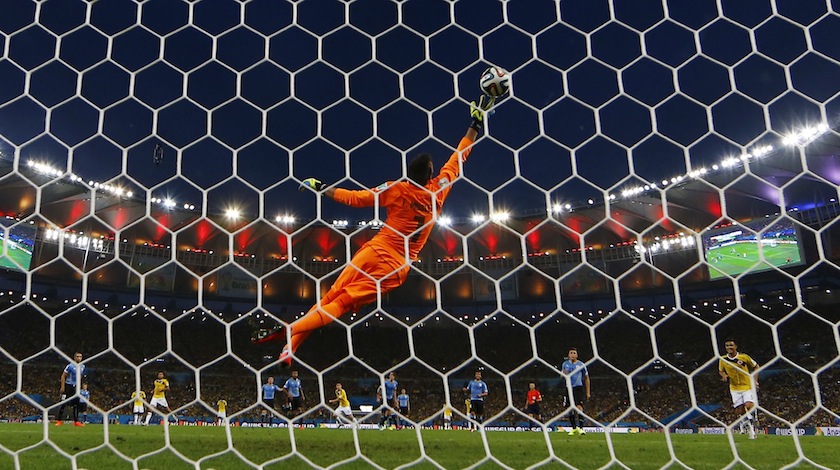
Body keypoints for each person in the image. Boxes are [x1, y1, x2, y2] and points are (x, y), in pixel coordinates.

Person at [253, 97, 497, 367]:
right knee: (342, 304)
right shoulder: (438, 191)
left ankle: (289, 348)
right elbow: (458, 157)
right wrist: (475, 123)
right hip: (394, 266)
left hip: (372, 250)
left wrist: (322, 187)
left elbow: (356, 199)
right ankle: (288, 332)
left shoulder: (396, 188)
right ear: (430, 175)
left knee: (330, 297)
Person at [718, 338, 760, 439]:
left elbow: (756, 366)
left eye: (731, 345)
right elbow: (720, 370)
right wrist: (723, 375)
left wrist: (755, 380)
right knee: (740, 411)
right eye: (727, 346)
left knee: (749, 405)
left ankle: (754, 417)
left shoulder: (744, 357)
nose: (729, 347)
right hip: (734, 388)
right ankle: (751, 431)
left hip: (747, 386)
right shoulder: (723, 359)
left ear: (736, 346)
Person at [562, 347, 590, 435]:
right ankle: (574, 428)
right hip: (568, 388)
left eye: (574, 353)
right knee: (569, 408)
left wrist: (588, 392)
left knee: (579, 407)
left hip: (578, 388)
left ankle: (581, 428)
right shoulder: (565, 364)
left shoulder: (581, 364)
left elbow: (586, 378)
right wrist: (564, 374)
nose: (573, 355)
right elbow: (562, 376)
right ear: (568, 355)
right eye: (571, 353)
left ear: (577, 355)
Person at [56, 352, 85, 427]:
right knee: (64, 403)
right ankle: (59, 420)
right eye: (77, 356)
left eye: (80, 356)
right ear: (74, 357)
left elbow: (80, 377)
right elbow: (63, 376)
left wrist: (80, 386)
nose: (79, 358)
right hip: (69, 386)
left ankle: (76, 422)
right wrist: (62, 387)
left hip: (76, 387)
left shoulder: (83, 366)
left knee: (76, 404)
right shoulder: (70, 366)